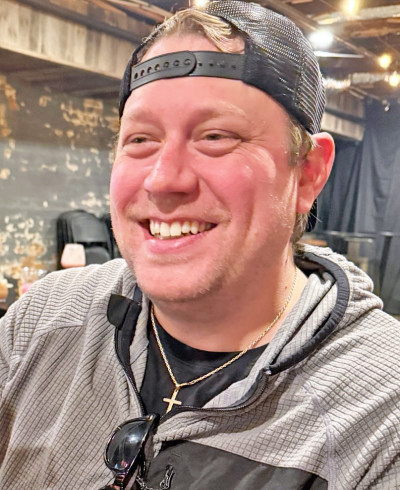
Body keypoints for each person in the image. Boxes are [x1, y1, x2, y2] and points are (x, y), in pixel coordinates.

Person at [1, 1, 399, 489]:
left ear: (308, 174)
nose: (163, 179)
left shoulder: (381, 414)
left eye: (216, 136)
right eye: (140, 140)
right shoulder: (42, 321)